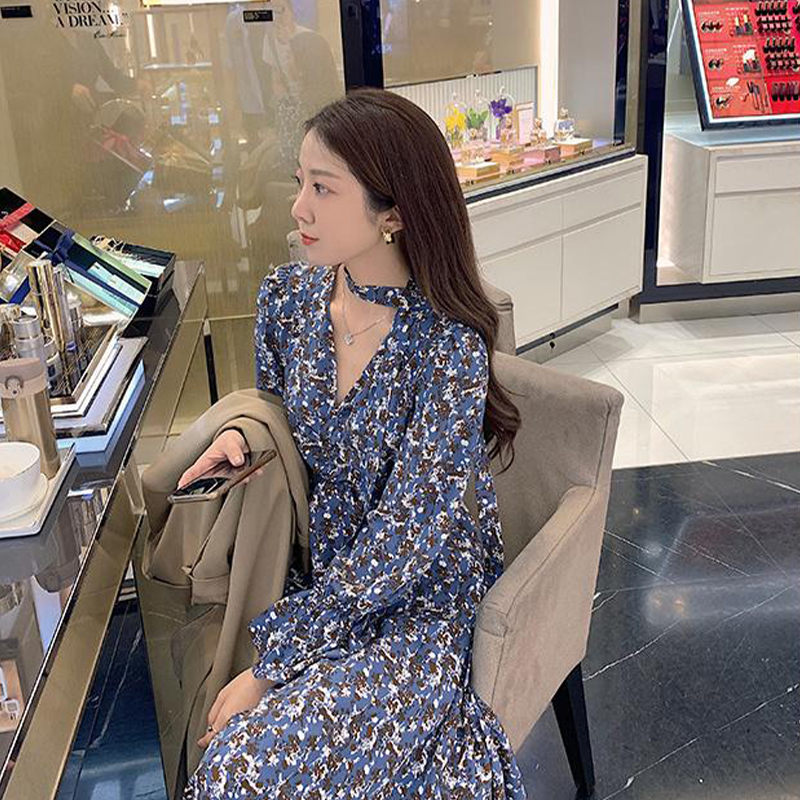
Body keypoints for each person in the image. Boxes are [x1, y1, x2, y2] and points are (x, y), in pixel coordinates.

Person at [180, 87, 527, 798]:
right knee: (231, 755)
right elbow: (283, 422)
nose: (297, 208)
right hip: (315, 573)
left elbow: (408, 538)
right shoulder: (286, 300)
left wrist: (274, 663)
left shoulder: (447, 347)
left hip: (415, 603)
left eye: (323, 188)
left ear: (392, 213)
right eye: (299, 182)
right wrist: (246, 435)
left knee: (239, 768)